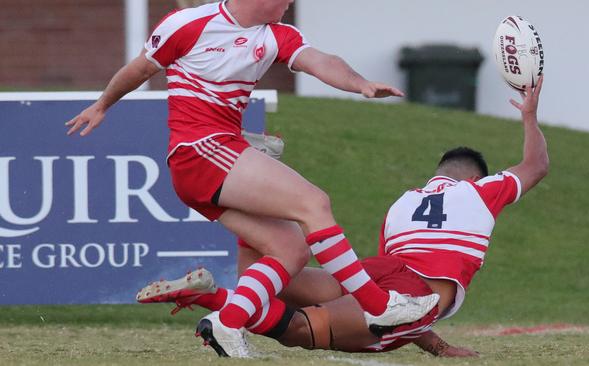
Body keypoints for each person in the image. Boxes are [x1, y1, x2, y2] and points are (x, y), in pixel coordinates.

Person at [65, 0, 437, 357]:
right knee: (314, 203)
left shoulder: (275, 34)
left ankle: (229, 321)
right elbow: (140, 69)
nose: (291, 1)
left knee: (290, 250)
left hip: (212, 159)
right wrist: (102, 105)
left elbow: (320, 60)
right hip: (199, 152)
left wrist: (359, 84)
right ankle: (378, 305)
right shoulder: (188, 23)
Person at [137, 77, 548, 357]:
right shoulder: (481, 191)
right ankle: (211, 300)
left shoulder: (402, 205)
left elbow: (392, 290)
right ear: (475, 176)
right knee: (301, 330)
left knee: (276, 287)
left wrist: (439, 347)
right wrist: (529, 114)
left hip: (378, 274)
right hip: (411, 291)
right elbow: (536, 165)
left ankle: (249, 212)